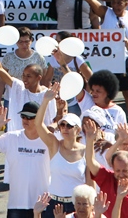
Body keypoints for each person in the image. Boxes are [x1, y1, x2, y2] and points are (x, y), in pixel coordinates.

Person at [0, 104, 50, 218]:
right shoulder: (11, 138)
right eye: (23, 116)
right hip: (16, 205)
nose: (25, 120)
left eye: (30, 117)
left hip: (43, 204)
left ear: (39, 118)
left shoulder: (48, 140)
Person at [35, 84, 86, 218]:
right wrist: (46, 100)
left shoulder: (86, 151)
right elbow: (38, 124)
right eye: (62, 125)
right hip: (54, 204)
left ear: (78, 130)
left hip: (77, 205)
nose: (65, 128)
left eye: (69, 125)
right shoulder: (54, 145)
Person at [82, 117, 128, 218]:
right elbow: (90, 161)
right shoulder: (106, 178)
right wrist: (90, 139)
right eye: (118, 170)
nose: (121, 174)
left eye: (125, 170)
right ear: (112, 168)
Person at [0, 36, 55, 131]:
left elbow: (54, 120)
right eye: (24, 75)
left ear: (39, 77)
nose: (24, 79)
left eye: (29, 76)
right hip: (18, 140)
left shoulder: (47, 94)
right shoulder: (19, 87)